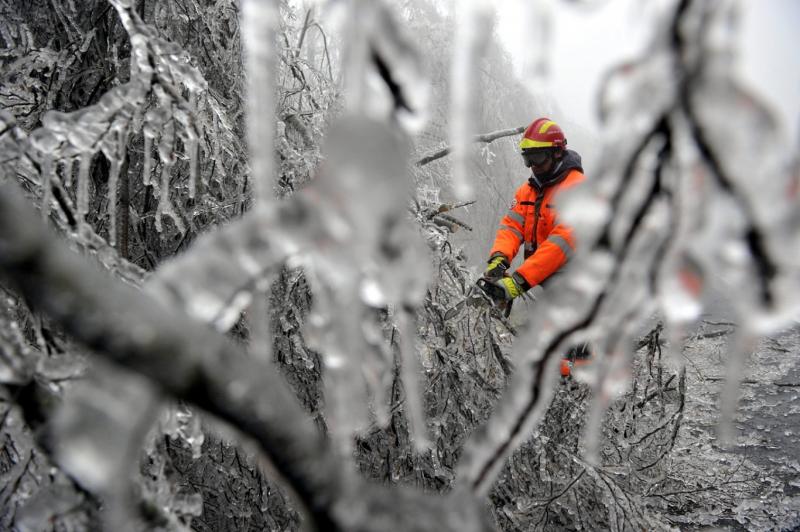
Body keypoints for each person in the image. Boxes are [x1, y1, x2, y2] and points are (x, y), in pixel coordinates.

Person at [482, 117, 590, 376]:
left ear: (556, 152)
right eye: (527, 159)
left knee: (573, 347)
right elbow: (511, 227)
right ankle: (558, 391)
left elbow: (559, 245)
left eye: (537, 158)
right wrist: (499, 260)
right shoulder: (528, 191)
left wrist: (517, 281)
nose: (532, 167)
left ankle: (577, 397)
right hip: (549, 279)